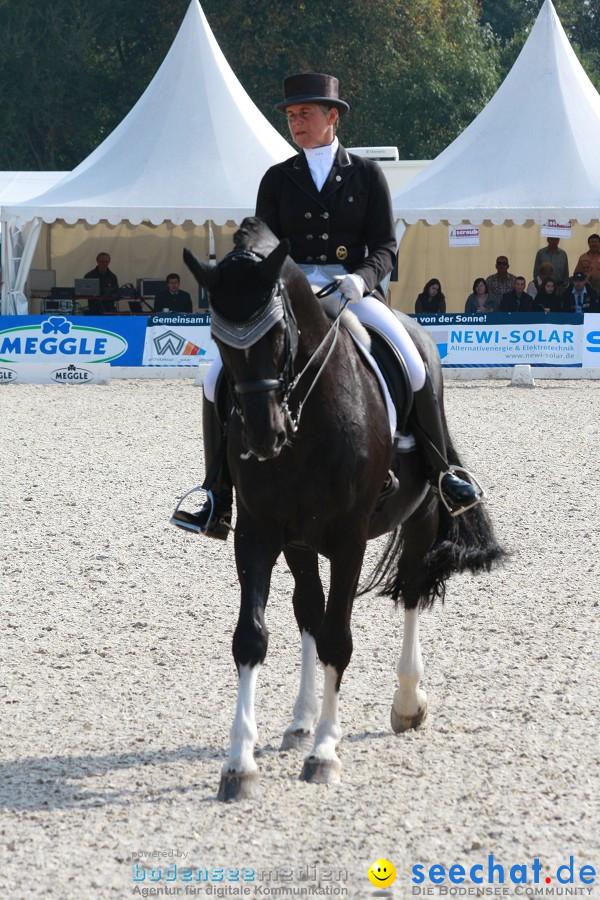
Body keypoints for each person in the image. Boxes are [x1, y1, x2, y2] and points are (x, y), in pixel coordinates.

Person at [172, 72, 482, 538]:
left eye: (304, 114)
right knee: (215, 375)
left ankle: (442, 473)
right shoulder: (277, 179)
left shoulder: (366, 174)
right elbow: (259, 241)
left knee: (413, 362)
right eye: (291, 116)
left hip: (352, 293)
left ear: (331, 116)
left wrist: (361, 279)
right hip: (291, 297)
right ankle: (217, 493)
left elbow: (385, 246)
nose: (295, 123)